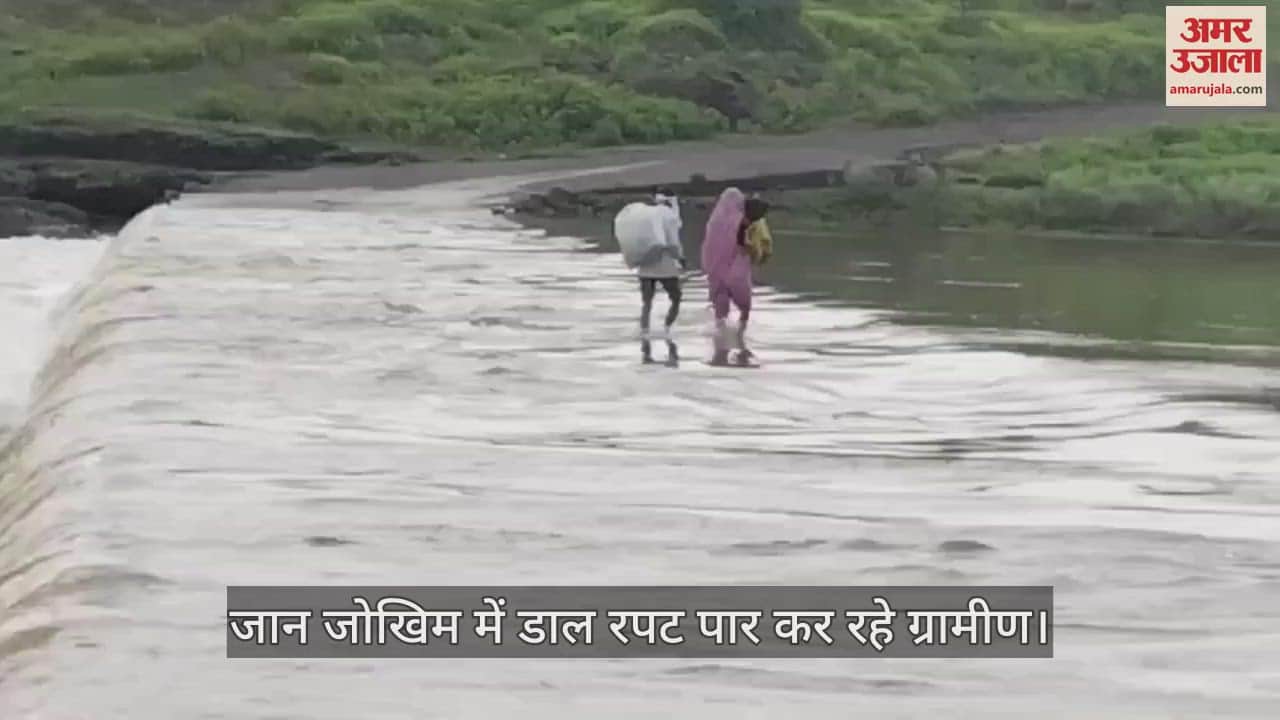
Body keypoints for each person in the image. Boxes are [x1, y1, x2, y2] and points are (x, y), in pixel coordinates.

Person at [702, 187, 767, 360]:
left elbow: (708, 247)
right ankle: (741, 335)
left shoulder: (714, 222)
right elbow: (747, 245)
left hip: (716, 269)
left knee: (720, 304)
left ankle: (720, 339)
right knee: (744, 303)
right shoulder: (743, 221)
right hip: (736, 269)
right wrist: (756, 252)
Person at [634, 188, 685, 337]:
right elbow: (673, 243)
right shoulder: (670, 218)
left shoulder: (646, 217)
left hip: (646, 266)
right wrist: (681, 259)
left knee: (647, 302)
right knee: (676, 298)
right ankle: (667, 329)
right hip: (666, 266)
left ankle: (644, 332)